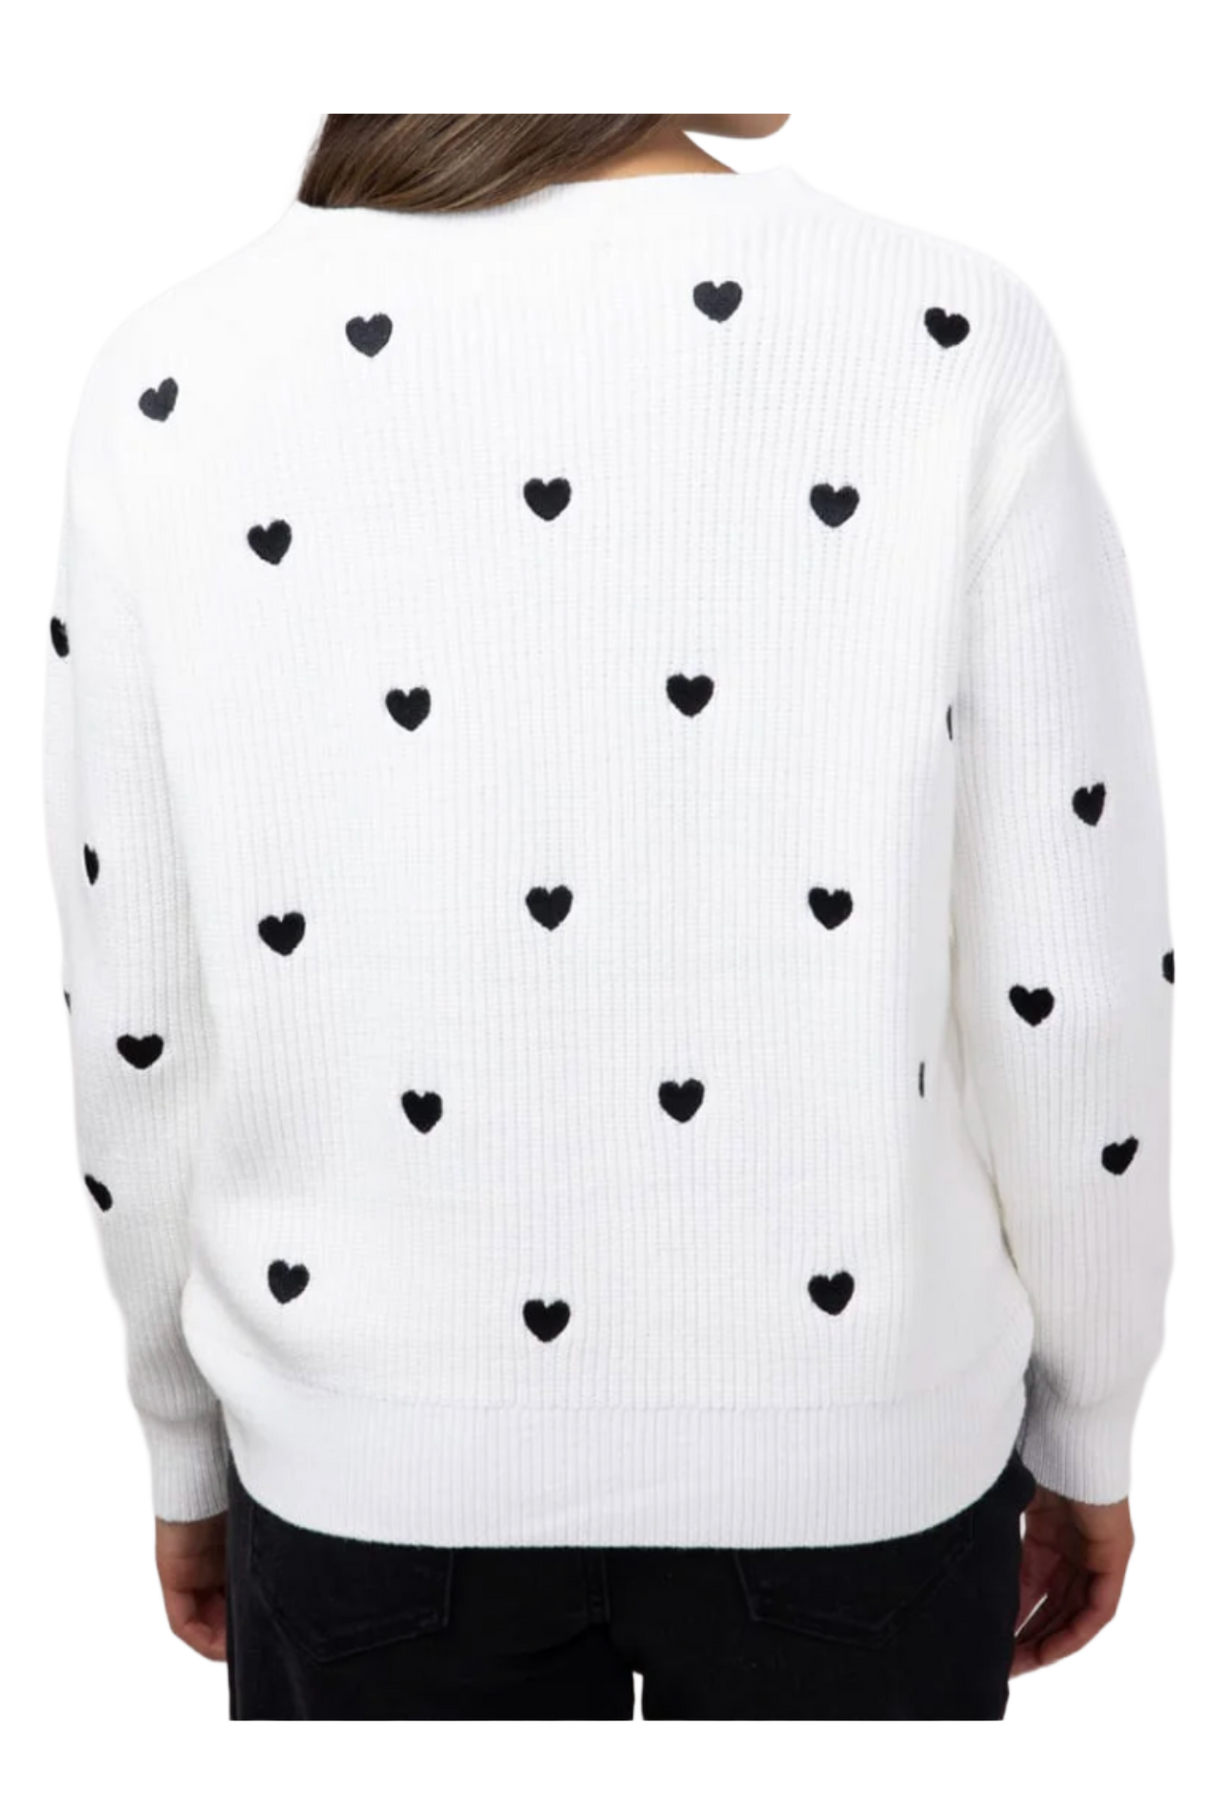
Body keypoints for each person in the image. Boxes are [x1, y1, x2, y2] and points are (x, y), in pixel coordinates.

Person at [39, 109, 1177, 1724]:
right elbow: (1069, 969)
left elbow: (134, 991)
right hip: (856, 1445)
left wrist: (181, 1435)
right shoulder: (946, 330)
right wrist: (1090, 1416)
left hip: (363, 1452)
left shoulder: (176, 364)